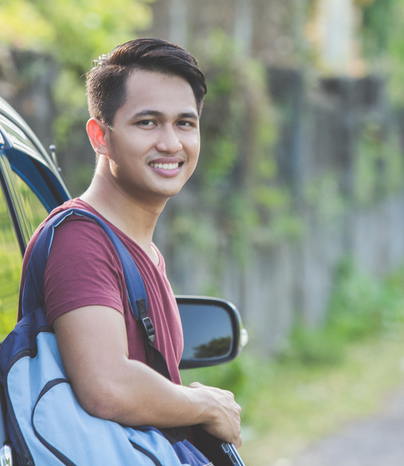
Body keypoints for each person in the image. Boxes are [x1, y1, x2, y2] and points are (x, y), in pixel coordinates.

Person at [20, 38, 242, 456]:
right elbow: (107, 386)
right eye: (148, 122)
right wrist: (204, 404)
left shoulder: (140, 248)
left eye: (185, 123)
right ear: (100, 135)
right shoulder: (82, 240)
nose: (171, 143)